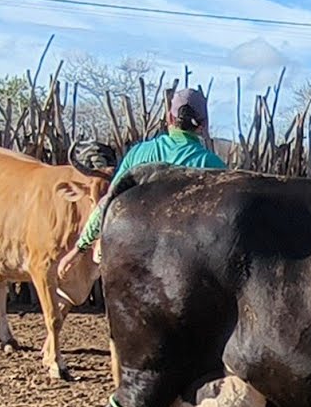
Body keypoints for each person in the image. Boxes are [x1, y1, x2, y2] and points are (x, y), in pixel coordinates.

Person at [58, 88, 226, 280]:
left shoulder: (139, 155)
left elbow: (109, 200)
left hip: (137, 262)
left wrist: (79, 248)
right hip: (186, 268)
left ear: (169, 119)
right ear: (202, 125)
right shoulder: (212, 166)